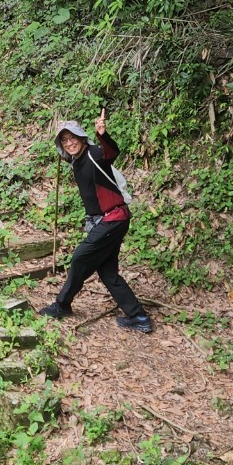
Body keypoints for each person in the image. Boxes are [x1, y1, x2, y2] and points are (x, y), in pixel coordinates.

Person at [40, 110, 152, 332]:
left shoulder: (93, 153)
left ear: (82, 137)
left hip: (113, 218)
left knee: (80, 257)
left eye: (73, 138)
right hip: (108, 220)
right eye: (65, 140)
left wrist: (103, 134)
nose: (70, 143)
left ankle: (62, 305)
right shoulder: (77, 161)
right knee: (108, 273)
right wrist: (64, 154)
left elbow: (110, 153)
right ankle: (139, 317)